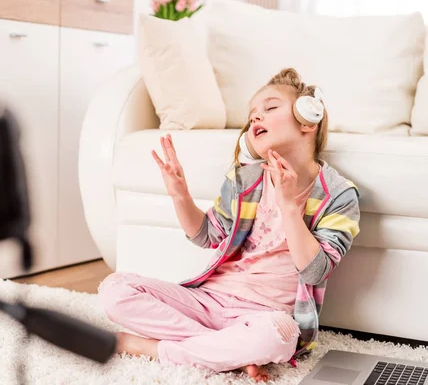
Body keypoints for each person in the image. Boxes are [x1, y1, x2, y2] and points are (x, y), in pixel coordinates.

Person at [98, 68, 361, 382]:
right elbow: (208, 235)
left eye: (270, 108)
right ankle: (228, 354)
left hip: (265, 316)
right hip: (209, 301)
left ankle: (154, 349)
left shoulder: (340, 195)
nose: (256, 119)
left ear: (307, 117)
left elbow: (316, 270)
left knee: (281, 335)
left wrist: (290, 207)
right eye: (252, 115)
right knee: (115, 290)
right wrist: (180, 195)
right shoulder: (245, 179)